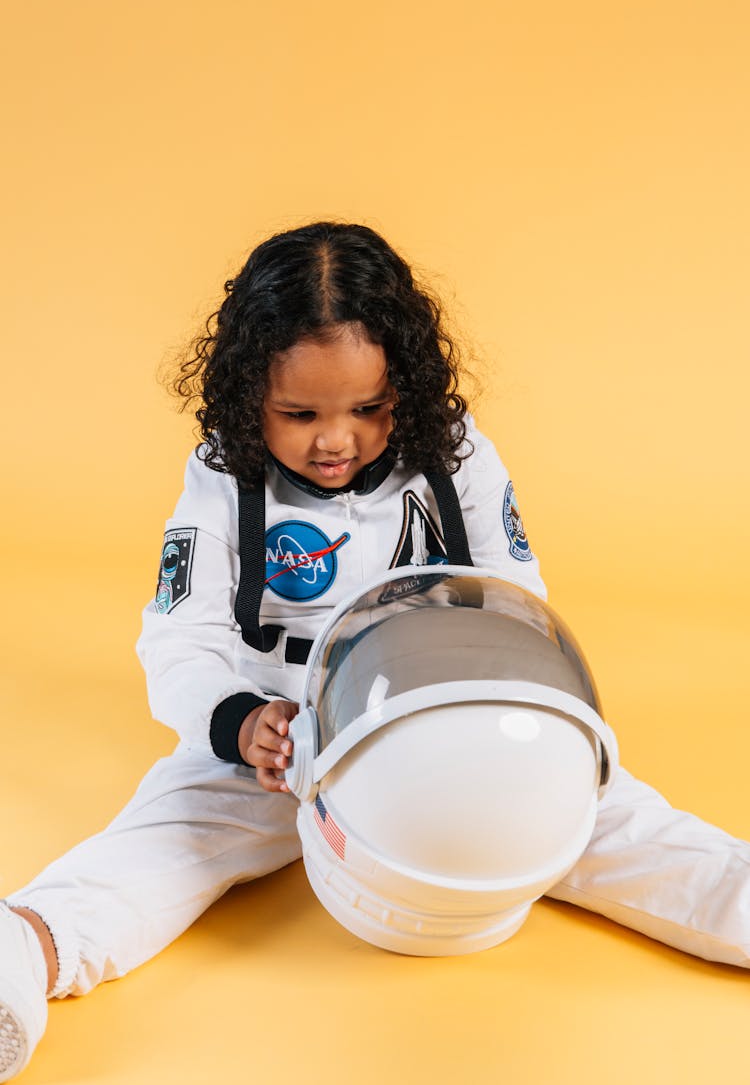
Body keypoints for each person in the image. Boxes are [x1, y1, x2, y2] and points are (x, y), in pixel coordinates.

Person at [1, 221, 748, 1081]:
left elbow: (515, 596)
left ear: (409, 385)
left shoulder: (453, 457)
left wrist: (497, 729)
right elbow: (180, 632)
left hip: (435, 719)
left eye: (369, 408)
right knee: (157, 848)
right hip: (279, 745)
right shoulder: (223, 474)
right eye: (300, 413)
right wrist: (240, 723)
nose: (335, 440)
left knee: (613, 825)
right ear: (248, 397)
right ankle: (24, 954)